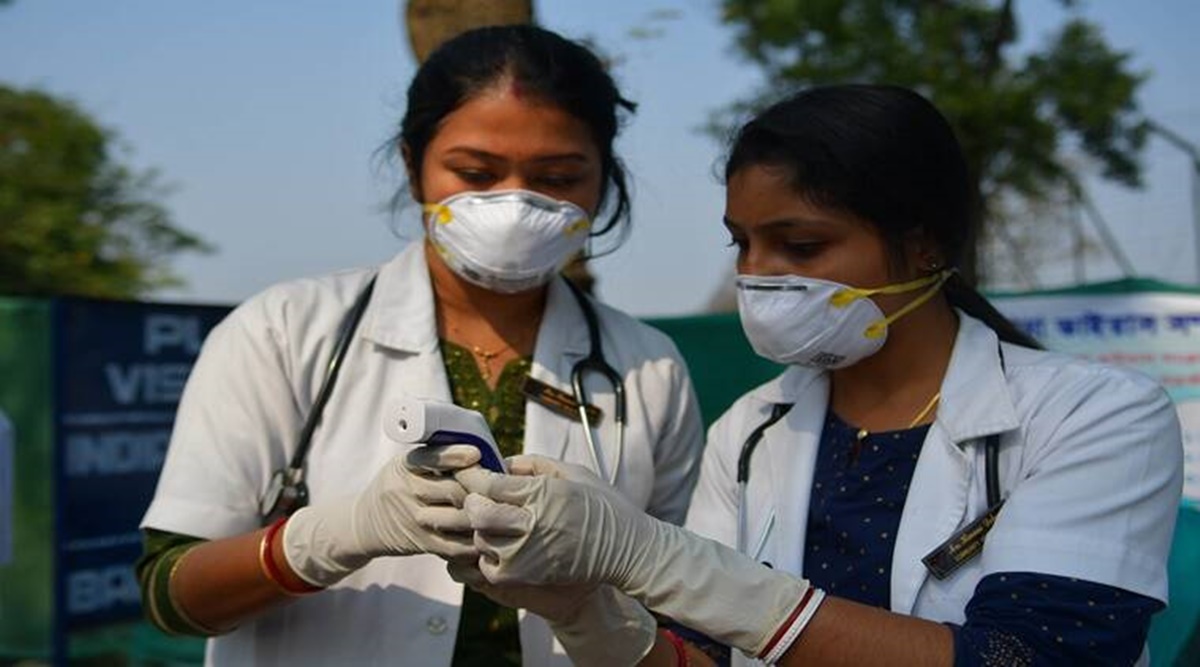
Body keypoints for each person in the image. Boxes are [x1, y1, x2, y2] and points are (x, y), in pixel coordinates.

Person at [446, 84, 1184, 666]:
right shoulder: (750, 430)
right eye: (743, 243)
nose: (757, 276)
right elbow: (700, 658)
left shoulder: (1095, 415)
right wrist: (584, 609)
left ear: (924, 242)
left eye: (800, 245)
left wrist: (652, 555)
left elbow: (1034, 657)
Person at [135, 24, 704, 667]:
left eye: (558, 177)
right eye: (475, 172)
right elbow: (170, 595)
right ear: (413, 168)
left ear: (602, 181)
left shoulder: (647, 367)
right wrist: (332, 536)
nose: (514, 204)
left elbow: (683, 600)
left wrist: (594, 608)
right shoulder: (283, 332)